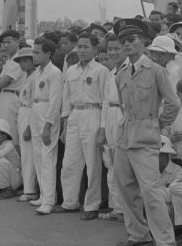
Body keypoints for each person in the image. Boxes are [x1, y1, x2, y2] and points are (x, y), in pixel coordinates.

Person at [112, 18, 181, 246]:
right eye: (123, 41)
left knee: (151, 191)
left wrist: (159, 124)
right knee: (126, 188)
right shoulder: (120, 72)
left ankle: (166, 244)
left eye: (132, 40)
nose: (128, 45)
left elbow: (173, 103)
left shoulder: (155, 70)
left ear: (143, 42)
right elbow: (122, 106)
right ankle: (138, 235)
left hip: (146, 136)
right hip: (124, 135)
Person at [57, 33, 109, 219]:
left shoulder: (101, 71)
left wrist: (103, 128)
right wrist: (64, 125)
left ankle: (92, 205)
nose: (82, 50)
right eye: (79, 46)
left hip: (93, 113)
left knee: (92, 163)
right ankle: (69, 202)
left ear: (95, 50)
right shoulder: (71, 70)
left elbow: (105, 101)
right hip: (74, 116)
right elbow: (66, 99)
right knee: (69, 162)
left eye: (86, 46)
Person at [30, 38, 63, 215]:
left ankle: (49, 200)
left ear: (48, 54)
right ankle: (43, 194)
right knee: (38, 156)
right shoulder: (38, 72)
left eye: (37, 52)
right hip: (36, 110)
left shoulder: (54, 73)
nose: (34, 55)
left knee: (47, 156)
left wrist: (48, 124)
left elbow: (56, 100)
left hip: (47, 113)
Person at [99, 34, 127, 222]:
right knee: (110, 163)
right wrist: (102, 128)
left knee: (122, 165)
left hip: (123, 118)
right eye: (110, 49)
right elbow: (105, 103)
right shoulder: (111, 73)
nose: (113, 52)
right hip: (110, 116)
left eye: (117, 48)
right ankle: (117, 207)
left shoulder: (130, 70)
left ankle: (126, 209)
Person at [13, 46, 39, 202]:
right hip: (23, 112)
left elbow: (35, 103)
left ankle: (30, 189)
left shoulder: (36, 78)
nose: (23, 64)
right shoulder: (27, 77)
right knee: (25, 153)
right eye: (21, 61)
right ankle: (28, 186)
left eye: (26, 60)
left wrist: (30, 126)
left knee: (29, 154)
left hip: (30, 113)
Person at [0, 30, 26, 145]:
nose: (5, 46)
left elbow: (0, 83)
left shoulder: (18, 60)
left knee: (10, 134)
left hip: (11, 97)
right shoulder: (9, 60)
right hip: (4, 97)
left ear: (17, 41)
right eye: (4, 43)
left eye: (8, 42)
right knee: (2, 132)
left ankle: (14, 162)